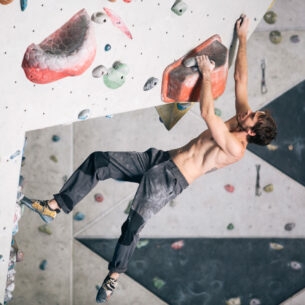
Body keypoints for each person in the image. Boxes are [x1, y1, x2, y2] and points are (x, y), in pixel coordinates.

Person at [22, 14, 277, 303]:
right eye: (253, 112)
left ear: (252, 133)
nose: (247, 112)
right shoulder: (243, 121)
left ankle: (113, 277)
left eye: (252, 117)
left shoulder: (235, 147)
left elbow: (207, 114)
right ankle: (55, 206)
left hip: (170, 180)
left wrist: (206, 74)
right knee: (99, 161)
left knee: (133, 224)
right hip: (160, 160)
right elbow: (240, 78)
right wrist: (242, 39)